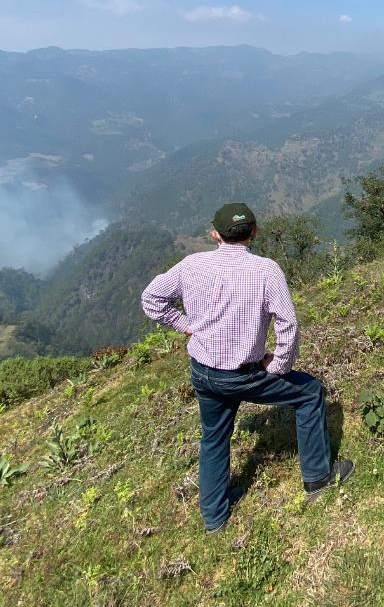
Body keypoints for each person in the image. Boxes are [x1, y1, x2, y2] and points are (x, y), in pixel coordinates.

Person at [140, 203, 354, 533]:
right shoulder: (266, 270)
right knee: (309, 393)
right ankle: (318, 479)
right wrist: (280, 365)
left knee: (214, 437)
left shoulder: (191, 265)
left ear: (215, 234)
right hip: (245, 373)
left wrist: (185, 325)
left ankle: (214, 519)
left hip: (204, 371)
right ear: (254, 232)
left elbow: (152, 299)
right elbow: (288, 324)